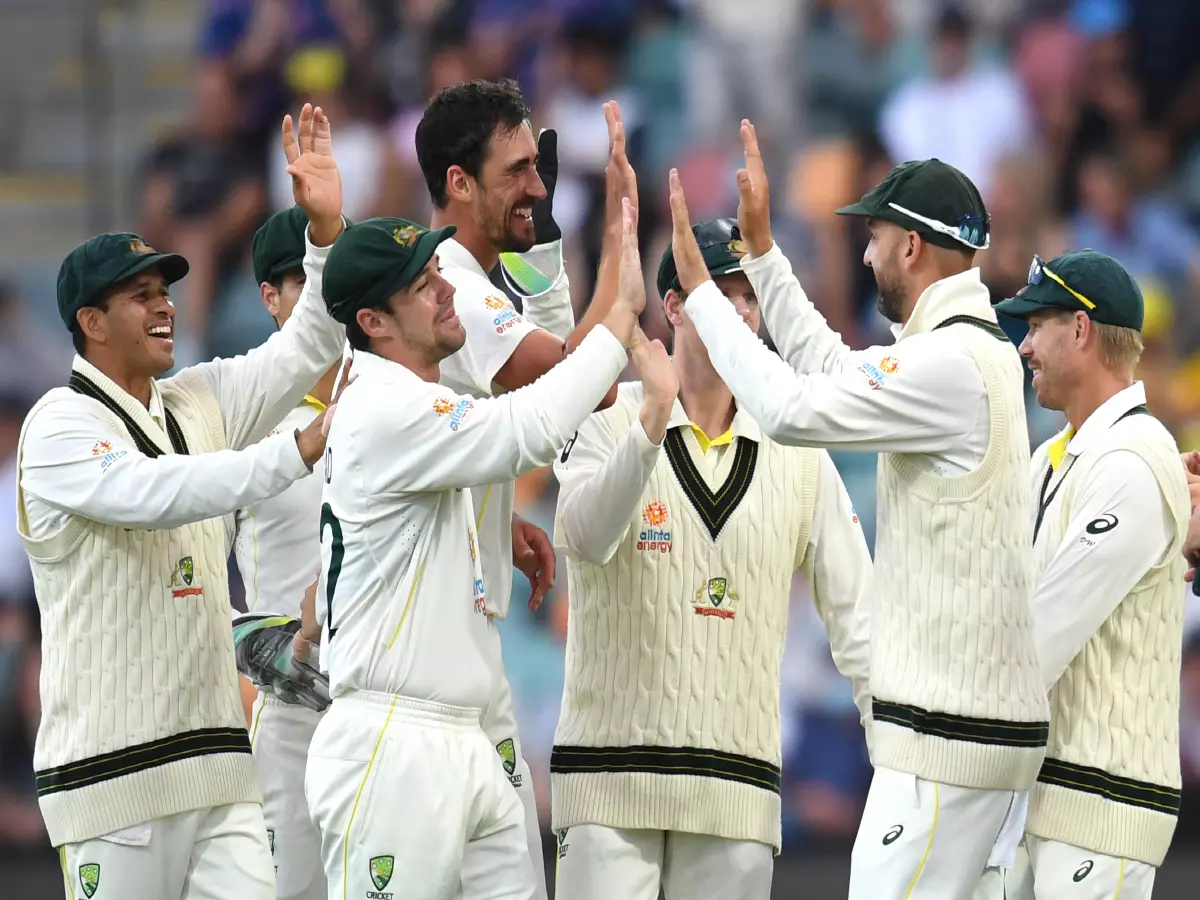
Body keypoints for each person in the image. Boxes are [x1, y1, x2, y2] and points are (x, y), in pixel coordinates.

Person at [667, 123, 1049, 900]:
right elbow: (835, 370)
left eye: (873, 238)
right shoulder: (966, 352)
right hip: (972, 741)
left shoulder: (951, 364)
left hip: (945, 745)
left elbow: (790, 410)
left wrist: (703, 296)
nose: (866, 256)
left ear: (911, 246)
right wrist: (766, 258)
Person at [14, 103, 346, 900]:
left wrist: (326, 235)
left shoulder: (198, 397)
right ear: (90, 322)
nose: (164, 305)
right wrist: (291, 449)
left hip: (220, 772)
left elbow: (309, 345)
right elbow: (156, 491)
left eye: (165, 289)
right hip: (110, 780)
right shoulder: (58, 425)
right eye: (139, 295)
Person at [303, 202, 646, 900]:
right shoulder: (385, 404)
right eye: (422, 285)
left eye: (439, 271)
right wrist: (620, 319)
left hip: (462, 735)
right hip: (393, 741)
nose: (446, 289)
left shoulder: (407, 404)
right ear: (373, 323)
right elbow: (534, 425)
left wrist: (502, 528)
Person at [549, 215, 873, 900]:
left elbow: (859, 619)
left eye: (750, 296)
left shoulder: (799, 449)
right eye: (719, 294)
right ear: (673, 306)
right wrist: (649, 426)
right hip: (610, 780)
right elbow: (581, 535)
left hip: (736, 787)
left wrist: (900, 752)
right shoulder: (610, 418)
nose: (740, 312)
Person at [413, 78, 636, 892]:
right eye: (516, 170)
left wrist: (494, 523)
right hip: (419, 684)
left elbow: (461, 435)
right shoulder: (449, 291)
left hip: (474, 666)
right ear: (458, 183)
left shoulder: (468, 284)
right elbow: (587, 384)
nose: (537, 186)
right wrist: (622, 236)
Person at [980, 251, 1189, 900]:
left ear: (1081, 330)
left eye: (1036, 326)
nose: (1024, 349)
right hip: (1039, 802)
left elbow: (1039, 637)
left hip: (1102, 805)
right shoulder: (1050, 458)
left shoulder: (1135, 460)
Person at [230, 204, 341, 900]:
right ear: (270, 299)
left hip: (389, 697)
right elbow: (197, 581)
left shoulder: (396, 397)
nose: (325, 291)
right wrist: (280, 646)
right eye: (303, 278)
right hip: (293, 710)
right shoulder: (243, 416)